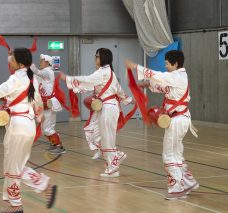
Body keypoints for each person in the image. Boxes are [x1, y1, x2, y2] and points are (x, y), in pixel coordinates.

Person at [0, 48, 57, 212]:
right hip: (26, 125)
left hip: (18, 126)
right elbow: (39, 104)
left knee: (14, 168)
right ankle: (16, 204)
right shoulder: (31, 78)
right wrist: (38, 118)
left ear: (19, 64)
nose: (9, 62)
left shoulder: (16, 79)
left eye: (11, 60)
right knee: (13, 166)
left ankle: (39, 188)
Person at [126, 50, 199, 200]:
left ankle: (176, 188)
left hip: (177, 120)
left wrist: (136, 67)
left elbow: (159, 76)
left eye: (166, 63)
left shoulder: (177, 76)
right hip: (180, 119)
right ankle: (187, 182)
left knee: (169, 154)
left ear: (175, 63)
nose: (165, 66)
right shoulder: (177, 77)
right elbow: (163, 85)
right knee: (176, 153)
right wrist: (146, 84)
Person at [60, 48, 133, 177]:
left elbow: (87, 80)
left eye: (97, 56)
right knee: (99, 136)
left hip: (108, 107)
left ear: (103, 58)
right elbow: (119, 90)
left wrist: (68, 78)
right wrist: (128, 99)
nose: (95, 58)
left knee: (107, 137)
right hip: (105, 107)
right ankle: (115, 157)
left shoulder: (103, 72)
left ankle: (113, 166)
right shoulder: (108, 72)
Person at [30, 54, 66, 154]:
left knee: (47, 128)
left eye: (42, 61)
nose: (40, 62)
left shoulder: (48, 72)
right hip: (44, 103)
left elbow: (36, 71)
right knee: (46, 128)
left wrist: (29, 63)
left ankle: (60, 146)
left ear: (48, 63)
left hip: (49, 103)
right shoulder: (42, 73)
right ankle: (54, 144)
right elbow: (35, 75)